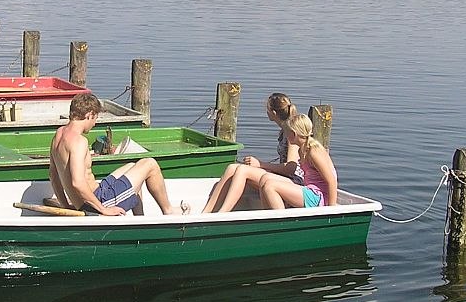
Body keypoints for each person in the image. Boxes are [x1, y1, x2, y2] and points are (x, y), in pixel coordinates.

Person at [49, 92, 181, 216]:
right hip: (100, 201)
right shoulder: (79, 141)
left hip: (94, 196)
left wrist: (65, 206)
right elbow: (77, 183)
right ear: (89, 115)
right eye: (95, 118)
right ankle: (168, 211)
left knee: (132, 167)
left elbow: (53, 175)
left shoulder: (59, 135)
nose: (94, 124)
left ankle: (139, 219)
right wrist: (103, 209)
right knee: (150, 164)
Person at [202, 92, 305, 213]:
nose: (266, 112)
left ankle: (222, 213)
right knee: (232, 168)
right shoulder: (284, 130)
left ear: (274, 113)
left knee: (242, 170)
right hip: (283, 177)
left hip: (294, 182)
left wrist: (260, 164)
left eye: (267, 109)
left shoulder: (291, 133)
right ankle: (206, 212)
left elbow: (291, 168)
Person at [258, 113, 337, 209]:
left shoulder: (313, 152)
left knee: (270, 186)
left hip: (318, 196)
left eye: (287, 133)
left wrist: (331, 210)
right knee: (265, 178)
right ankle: (267, 218)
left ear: (294, 134)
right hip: (309, 189)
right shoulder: (301, 150)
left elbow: (331, 180)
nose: (286, 136)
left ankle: (283, 222)